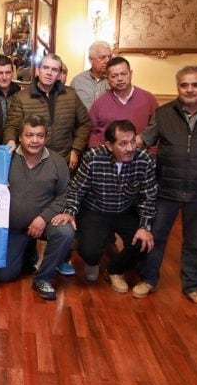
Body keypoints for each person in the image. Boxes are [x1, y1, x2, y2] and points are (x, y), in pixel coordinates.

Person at [138, 66, 197, 310]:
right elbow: (143, 141)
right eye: (184, 85)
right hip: (166, 188)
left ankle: (192, 286)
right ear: (177, 86)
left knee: (196, 242)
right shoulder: (163, 114)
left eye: (195, 85)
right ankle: (149, 279)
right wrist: (119, 144)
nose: (189, 89)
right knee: (156, 237)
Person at [51, 120, 156, 288]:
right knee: (89, 251)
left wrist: (144, 227)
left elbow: (148, 196)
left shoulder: (145, 160)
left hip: (125, 210)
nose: (130, 148)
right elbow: (77, 189)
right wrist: (69, 211)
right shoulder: (92, 157)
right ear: (109, 145)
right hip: (95, 210)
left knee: (144, 243)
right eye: (123, 144)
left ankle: (114, 270)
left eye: (132, 142)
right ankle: (93, 260)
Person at [0, 115, 75, 301]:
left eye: (40, 136)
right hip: (14, 227)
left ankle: (43, 278)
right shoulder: (5, 159)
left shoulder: (57, 162)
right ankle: (28, 251)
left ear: (46, 138)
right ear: (20, 137)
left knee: (65, 232)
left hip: (43, 223)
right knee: (4, 276)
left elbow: (64, 194)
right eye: (29, 135)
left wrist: (43, 218)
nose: (35, 140)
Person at [88, 57, 158, 148]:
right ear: (107, 79)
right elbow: (91, 132)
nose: (120, 79)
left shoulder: (148, 99)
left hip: (141, 156)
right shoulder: (99, 103)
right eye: (114, 76)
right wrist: (101, 153)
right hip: (108, 157)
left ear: (131, 74)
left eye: (124, 74)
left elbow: (158, 128)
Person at [70, 41, 113, 109]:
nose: (107, 61)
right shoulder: (78, 81)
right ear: (91, 59)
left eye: (110, 57)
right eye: (102, 57)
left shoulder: (114, 80)